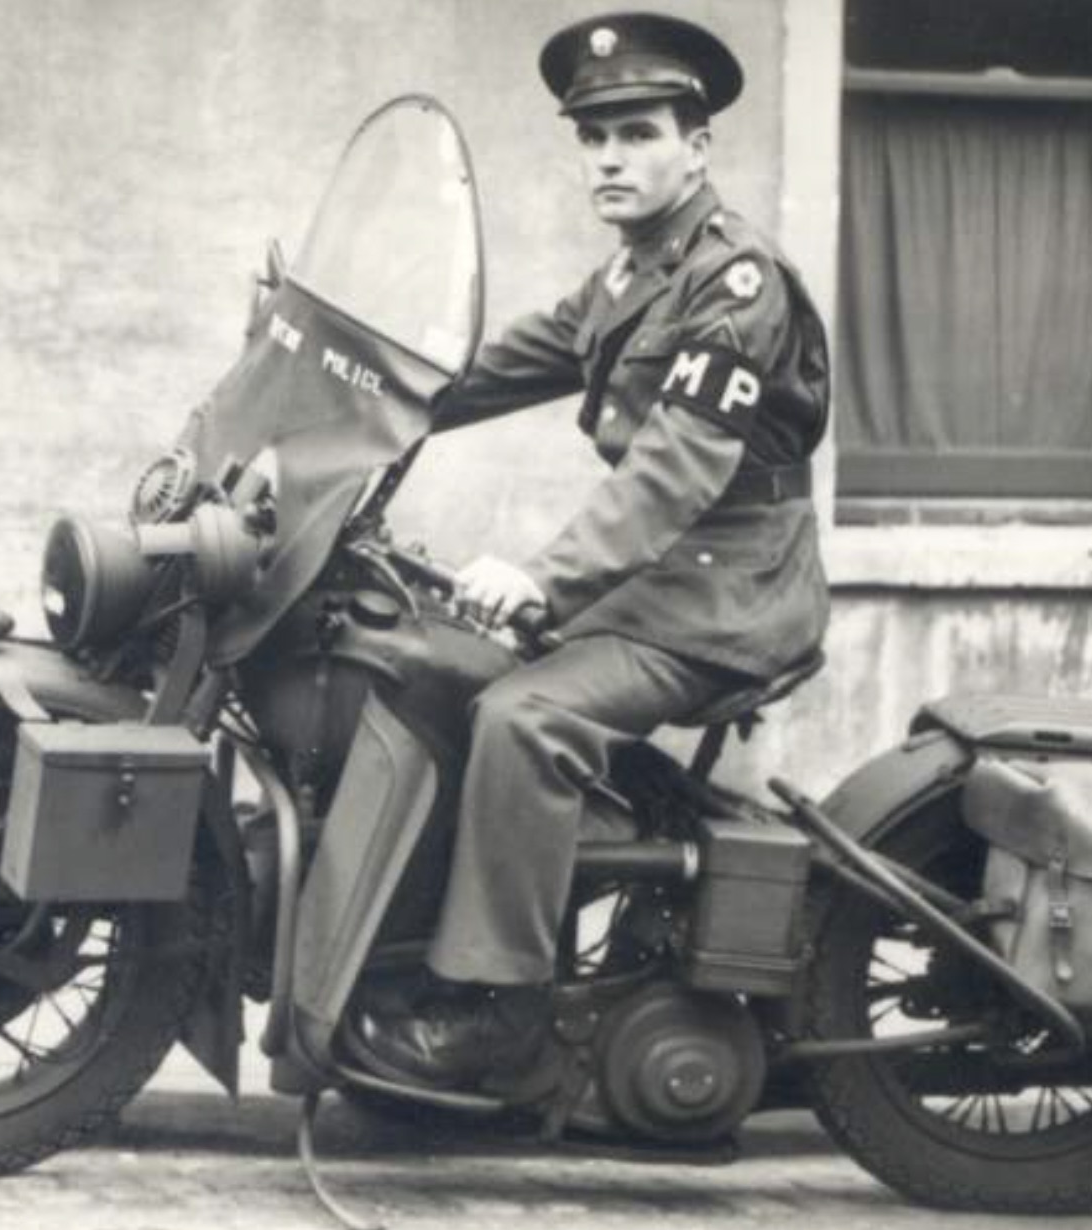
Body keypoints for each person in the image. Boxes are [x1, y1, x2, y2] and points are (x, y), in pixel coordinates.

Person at [347, 11, 832, 1091]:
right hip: (658, 588)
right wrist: (355, 390)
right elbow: (484, 371)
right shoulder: (627, 277)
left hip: (727, 599)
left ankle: (499, 1018)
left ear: (695, 147)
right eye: (592, 136)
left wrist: (539, 576)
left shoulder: (734, 281)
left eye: (637, 132)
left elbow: (673, 476)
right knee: (438, 669)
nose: (607, 156)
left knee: (524, 719)